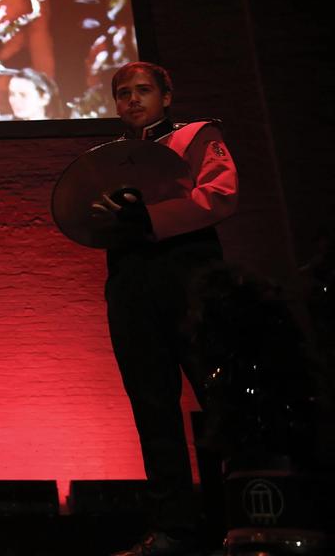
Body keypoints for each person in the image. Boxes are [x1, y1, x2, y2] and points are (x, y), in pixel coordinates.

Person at [87, 62, 238, 556]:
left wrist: (148, 217)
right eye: (123, 93)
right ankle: (172, 529)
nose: (132, 99)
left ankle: (234, 520)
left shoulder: (196, 135)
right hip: (130, 284)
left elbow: (219, 194)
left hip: (190, 277)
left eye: (143, 90)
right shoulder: (108, 159)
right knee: (152, 409)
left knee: (220, 399)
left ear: (167, 96)